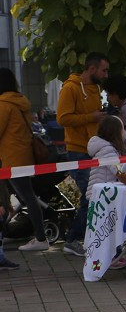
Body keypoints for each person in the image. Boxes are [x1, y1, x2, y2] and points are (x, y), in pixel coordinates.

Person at [58, 52, 109, 257]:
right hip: (78, 151)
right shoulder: (70, 88)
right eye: (104, 70)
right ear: (92, 69)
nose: (106, 74)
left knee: (95, 196)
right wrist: (92, 117)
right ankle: (73, 239)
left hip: (94, 150)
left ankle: (84, 239)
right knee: (92, 197)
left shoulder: (95, 88)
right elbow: (63, 118)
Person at [0, 68, 49, 252]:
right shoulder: (19, 102)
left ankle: (41, 238)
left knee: (26, 197)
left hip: (10, 160)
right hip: (23, 156)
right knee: (18, 197)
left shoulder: (4, 105)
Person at [86, 116, 126, 271]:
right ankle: (109, 259)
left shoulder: (105, 148)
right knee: (108, 230)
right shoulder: (107, 150)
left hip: (104, 195)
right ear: (115, 132)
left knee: (112, 228)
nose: (125, 132)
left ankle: (116, 254)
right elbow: (119, 169)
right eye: (123, 128)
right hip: (103, 198)